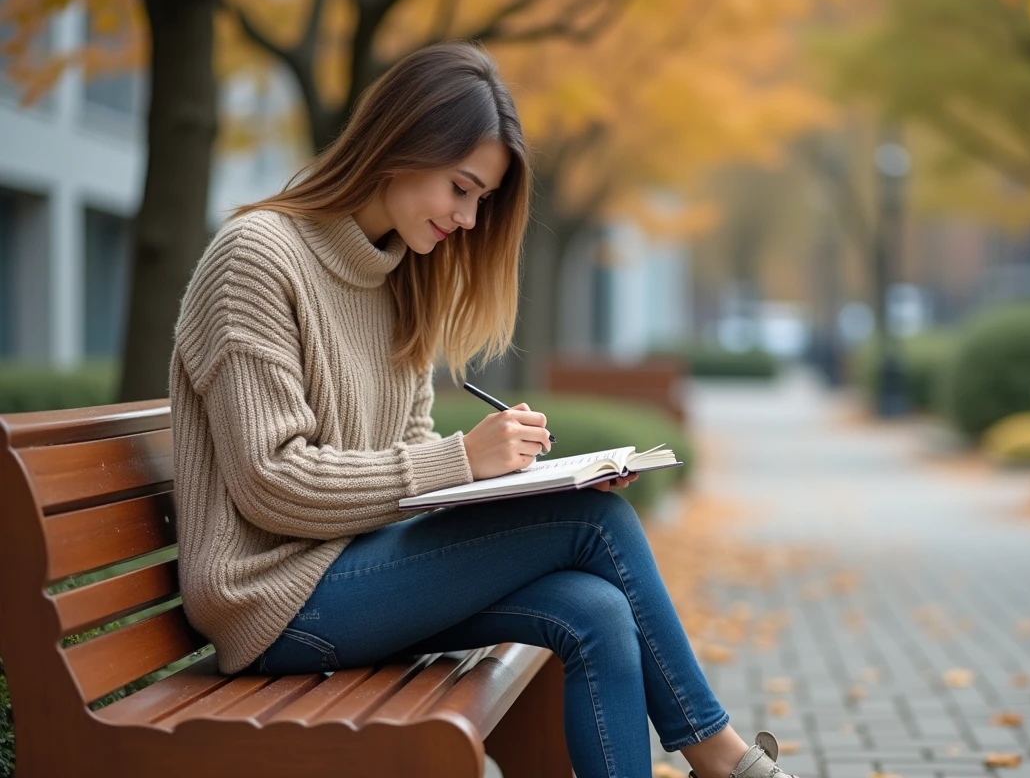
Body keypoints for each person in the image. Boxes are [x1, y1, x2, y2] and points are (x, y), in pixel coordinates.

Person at [169, 40, 800, 778]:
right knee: (596, 525)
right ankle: (723, 760)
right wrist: (464, 458)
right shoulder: (256, 257)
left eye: (481, 201)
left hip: (357, 577)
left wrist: (529, 483)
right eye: (461, 189)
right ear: (400, 147)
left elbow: (406, 477)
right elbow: (270, 482)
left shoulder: (400, 278)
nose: (468, 219)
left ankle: (718, 761)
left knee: (596, 612)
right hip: (272, 604)